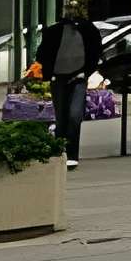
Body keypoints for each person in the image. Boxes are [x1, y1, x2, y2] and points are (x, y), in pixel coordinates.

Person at [35, 9, 104, 168]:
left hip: (78, 78)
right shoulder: (54, 31)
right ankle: (61, 153)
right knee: (62, 116)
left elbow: (95, 51)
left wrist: (86, 72)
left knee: (74, 115)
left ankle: (71, 154)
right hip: (58, 78)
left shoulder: (88, 30)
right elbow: (43, 53)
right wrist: (49, 73)